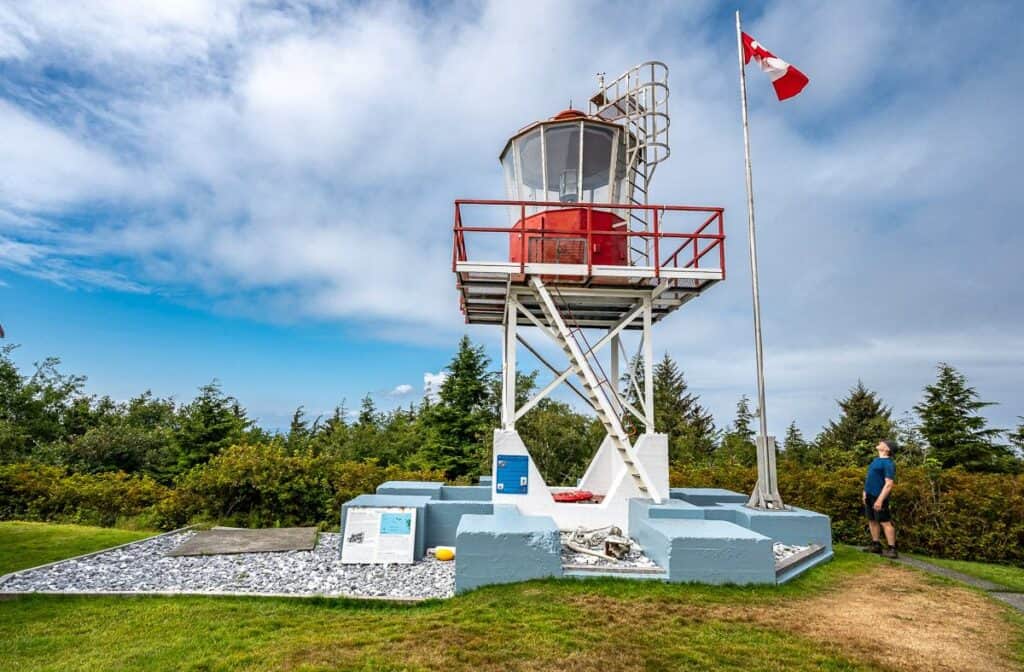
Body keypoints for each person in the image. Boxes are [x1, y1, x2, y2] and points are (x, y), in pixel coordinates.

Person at [862, 439, 897, 558]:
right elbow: (870, 478)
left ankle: (892, 549)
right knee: (872, 520)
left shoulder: (888, 464)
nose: (880, 443)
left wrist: (880, 500)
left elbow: (889, 484)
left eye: (884, 443)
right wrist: (865, 492)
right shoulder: (876, 460)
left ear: (887, 449)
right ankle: (876, 545)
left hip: (879, 497)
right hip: (870, 495)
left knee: (885, 522)